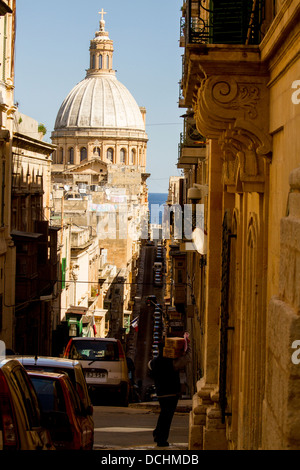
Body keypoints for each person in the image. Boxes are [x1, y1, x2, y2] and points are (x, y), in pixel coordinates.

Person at [148, 333, 191, 447]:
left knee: (164, 414)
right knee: (167, 416)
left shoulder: (154, 362)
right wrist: (187, 347)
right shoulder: (172, 362)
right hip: (171, 393)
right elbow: (187, 359)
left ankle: (158, 433)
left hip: (161, 393)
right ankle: (161, 438)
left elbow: (149, 366)